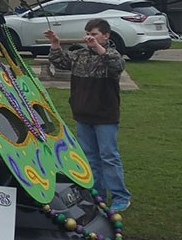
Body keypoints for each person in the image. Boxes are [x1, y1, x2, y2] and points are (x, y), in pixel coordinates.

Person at [46, 21, 130, 211]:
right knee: (90, 158)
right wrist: (55, 43)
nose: (89, 37)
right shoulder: (80, 55)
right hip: (82, 115)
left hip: (105, 116)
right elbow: (59, 62)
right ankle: (96, 195)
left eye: (94, 34)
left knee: (109, 156)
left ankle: (120, 197)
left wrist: (98, 47)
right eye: (87, 33)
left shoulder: (110, 55)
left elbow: (118, 66)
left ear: (106, 36)